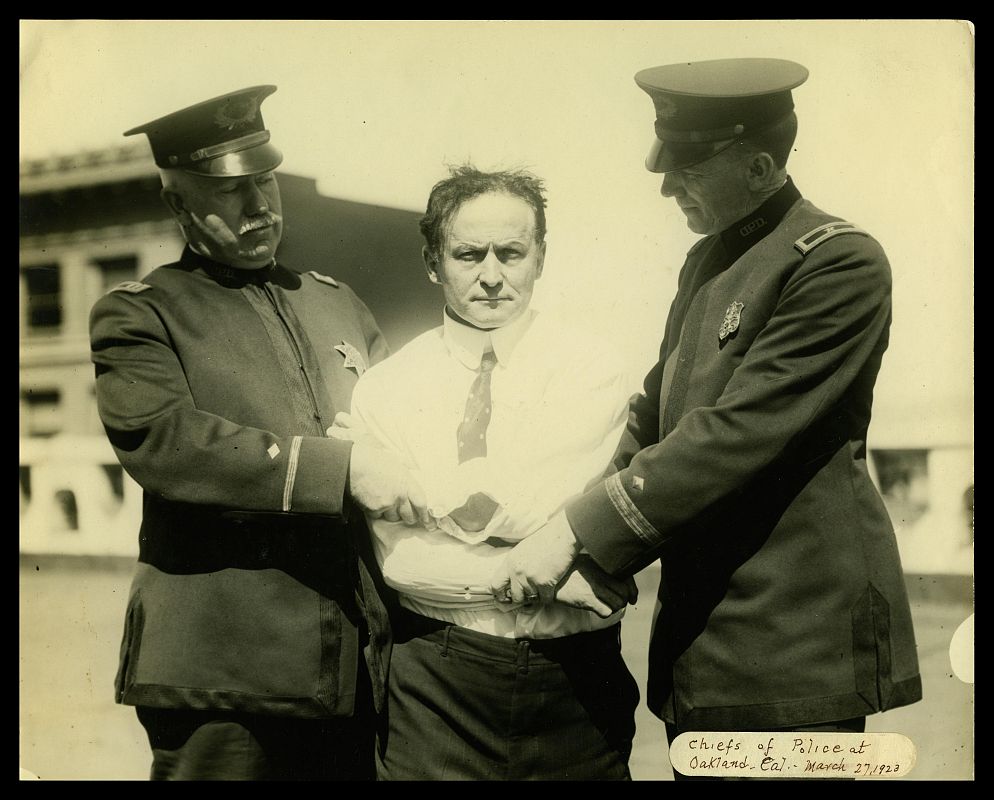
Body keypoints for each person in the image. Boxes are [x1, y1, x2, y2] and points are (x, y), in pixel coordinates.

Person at [489, 58, 923, 779]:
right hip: (711, 647)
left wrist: (574, 533)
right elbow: (654, 418)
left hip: (793, 652)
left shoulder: (838, 262)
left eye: (691, 165)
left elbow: (734, 434)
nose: (668, 184)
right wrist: (582, 544)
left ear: (759, 167)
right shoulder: (707, 263)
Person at [90, 85, 429, 781]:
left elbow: (405, 426)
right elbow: (167, 440)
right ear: (179, 204)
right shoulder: (143, 315)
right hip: (226, 675)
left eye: (264, 182)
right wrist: (341, 470)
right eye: (230, 192)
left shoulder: (336, 302)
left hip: (348, 666)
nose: (258, 208)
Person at [331, 166, 640, 780]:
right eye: (469, 255)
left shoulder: (594, 369)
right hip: (436, 686)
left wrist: (414, 487)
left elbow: (543, 505)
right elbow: (404, 564)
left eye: (512, 253)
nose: (493, 276)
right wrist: (534, 567)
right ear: (432, 261)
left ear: (541, 257)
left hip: (575, 686)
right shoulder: (387, 390)